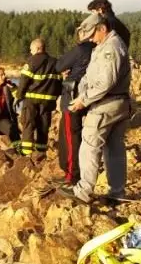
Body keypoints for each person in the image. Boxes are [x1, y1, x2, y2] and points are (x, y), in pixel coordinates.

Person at [66, 13, 132, 204]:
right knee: (114, 149)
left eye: (93, 36)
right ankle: (117, 193)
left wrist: (83, 100)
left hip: (107, 104)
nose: (91, 40)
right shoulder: (103, 46)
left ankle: (83, 191)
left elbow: (106, 82)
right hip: (116, 103)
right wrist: (81, 92)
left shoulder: (111, 47)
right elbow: (89, 75)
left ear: (102, 28)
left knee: (89, 145)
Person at [54, 22, 97, 186]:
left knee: (71, 137)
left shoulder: (81, 49)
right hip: (87, 96)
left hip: (73, 97)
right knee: (75, 134)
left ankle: (72, 174)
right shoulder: (96, 50)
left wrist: (69, 70)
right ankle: (73, 171)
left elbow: (59, 65)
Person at [15, 38, 62, 156]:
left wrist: (18, 96)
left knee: (28, 125)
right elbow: (59, 82)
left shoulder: (32, 61)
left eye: (31, 50)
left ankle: (26, 155)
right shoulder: (55, 62)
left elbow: (24, 80)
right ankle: (41, 154)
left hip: (31, 100)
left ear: (36, 48)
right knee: (44, 127)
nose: (30, 52)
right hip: (47, 102)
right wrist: (54, 97)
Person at [0, 67, 21, 149]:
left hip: (3, 118)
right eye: (1, 75)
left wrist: (13, 88)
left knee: (12, 129)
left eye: (4, 74)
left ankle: (19, 150)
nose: (4, 76)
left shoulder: (8, 87)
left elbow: (19, 96)